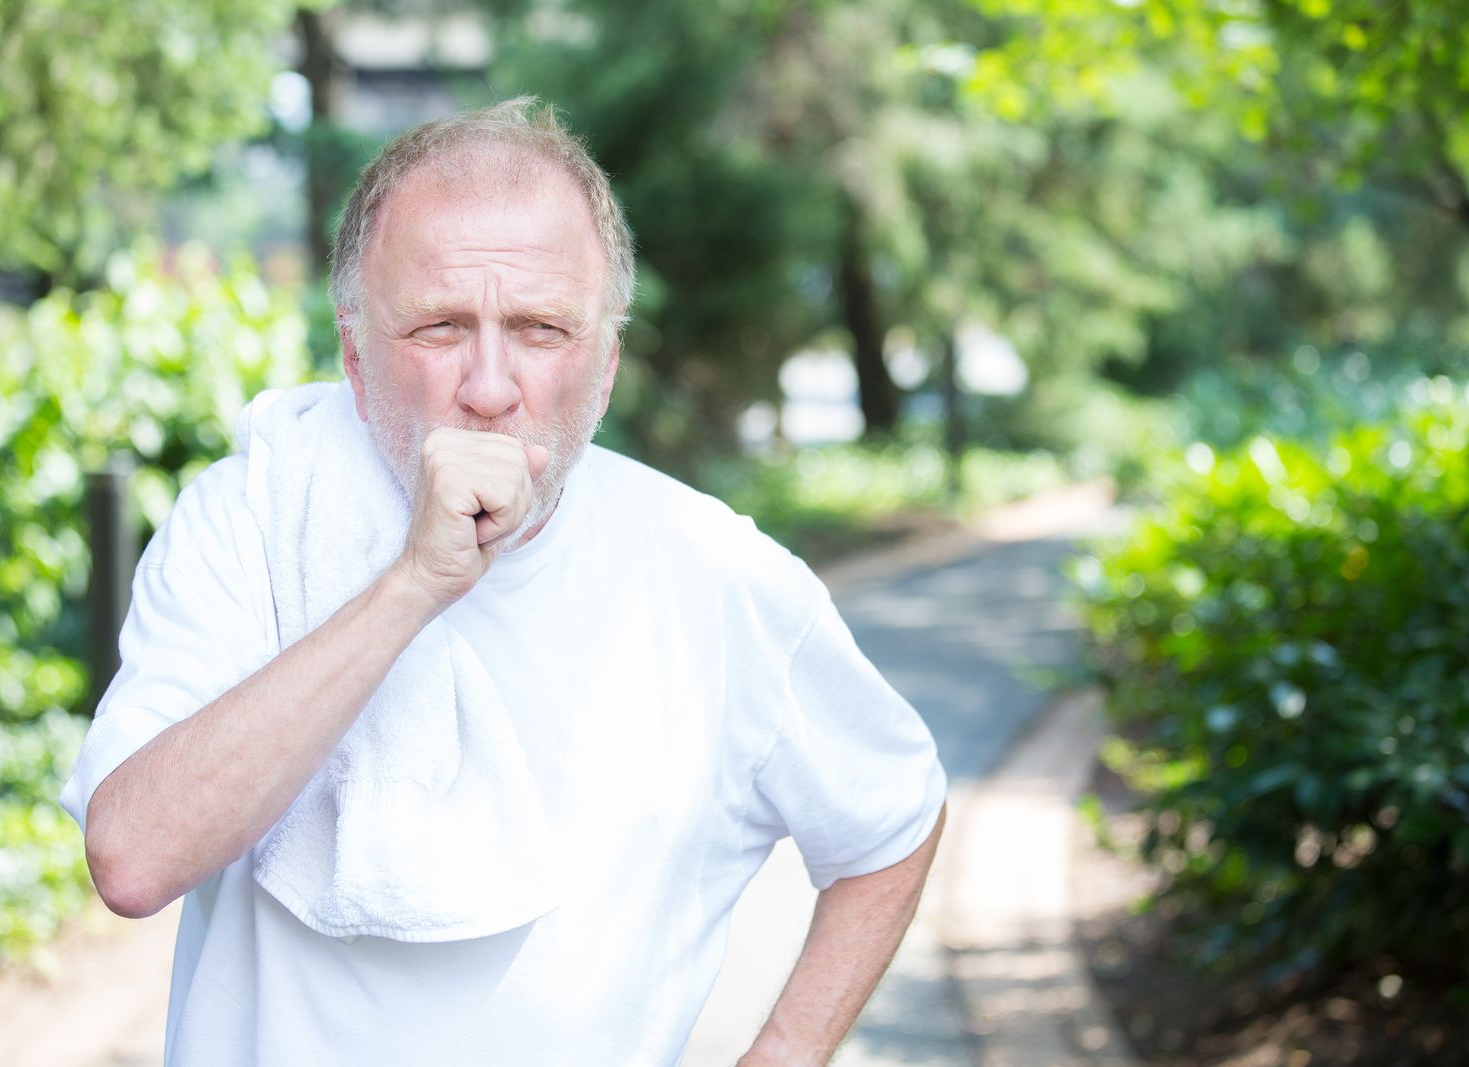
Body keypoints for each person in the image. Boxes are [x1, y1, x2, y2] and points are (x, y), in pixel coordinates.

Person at [60, 96, 947, 1067]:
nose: (488, 386)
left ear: (604, 366)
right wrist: (411, 584)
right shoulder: (253, 517)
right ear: (356, 358)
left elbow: (890, 815)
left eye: (539, 328)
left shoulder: (715, 572)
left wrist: (782, 1051)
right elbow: (134, 856)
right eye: (439, 327)